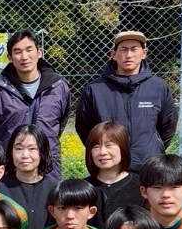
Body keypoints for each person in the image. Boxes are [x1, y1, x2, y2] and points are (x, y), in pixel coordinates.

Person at [73, 29, 176, 170]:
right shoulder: (95, 89)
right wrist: (106, 152)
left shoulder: (158, 87)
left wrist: (152, 148)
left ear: (144, 53)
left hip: (149, 166)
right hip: (110, 170)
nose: (129, 55)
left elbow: (168, 126)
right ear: (113, 54)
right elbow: (84, 128)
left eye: (134, 49)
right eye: (123, 49)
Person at [0, 31, 71, 174]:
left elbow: (60, 123)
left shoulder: (58, 87)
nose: (24, 57)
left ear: (39, 52)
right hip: (10, 170)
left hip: (48, 169)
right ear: (10, 58)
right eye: (17, 52)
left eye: (29, 50)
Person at [0, 123, 57, 229]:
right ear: (11, 152)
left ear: (42, 152)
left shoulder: (55, 189)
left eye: (32, 148)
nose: (25, 155)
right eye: (19, 149)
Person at [84, 121, 141, 229]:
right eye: (96, 146)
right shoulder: (83, 188)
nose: (102, 152)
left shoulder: (140, 187)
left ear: (123, 148)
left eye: (109, 145)